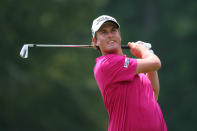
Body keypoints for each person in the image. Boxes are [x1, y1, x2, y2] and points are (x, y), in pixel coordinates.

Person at [91, 15, 167, 131]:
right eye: (103, 32)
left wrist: (146, 54)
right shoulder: (106, 64)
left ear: (119, 35)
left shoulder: (133, 69)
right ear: (95, 41)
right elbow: (156, 63)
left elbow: (153, 94)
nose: (110, 35)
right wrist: (145, 52)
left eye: (113, 30)